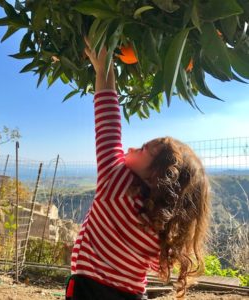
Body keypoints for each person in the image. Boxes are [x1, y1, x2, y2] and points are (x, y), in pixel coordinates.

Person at [65, 37, 212, 300]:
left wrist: (103, 67)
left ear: (156, 177)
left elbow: (108, 120)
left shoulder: (116, 183)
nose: (131, 149)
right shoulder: (159, 224)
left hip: (90, 291)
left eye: (144, 149)